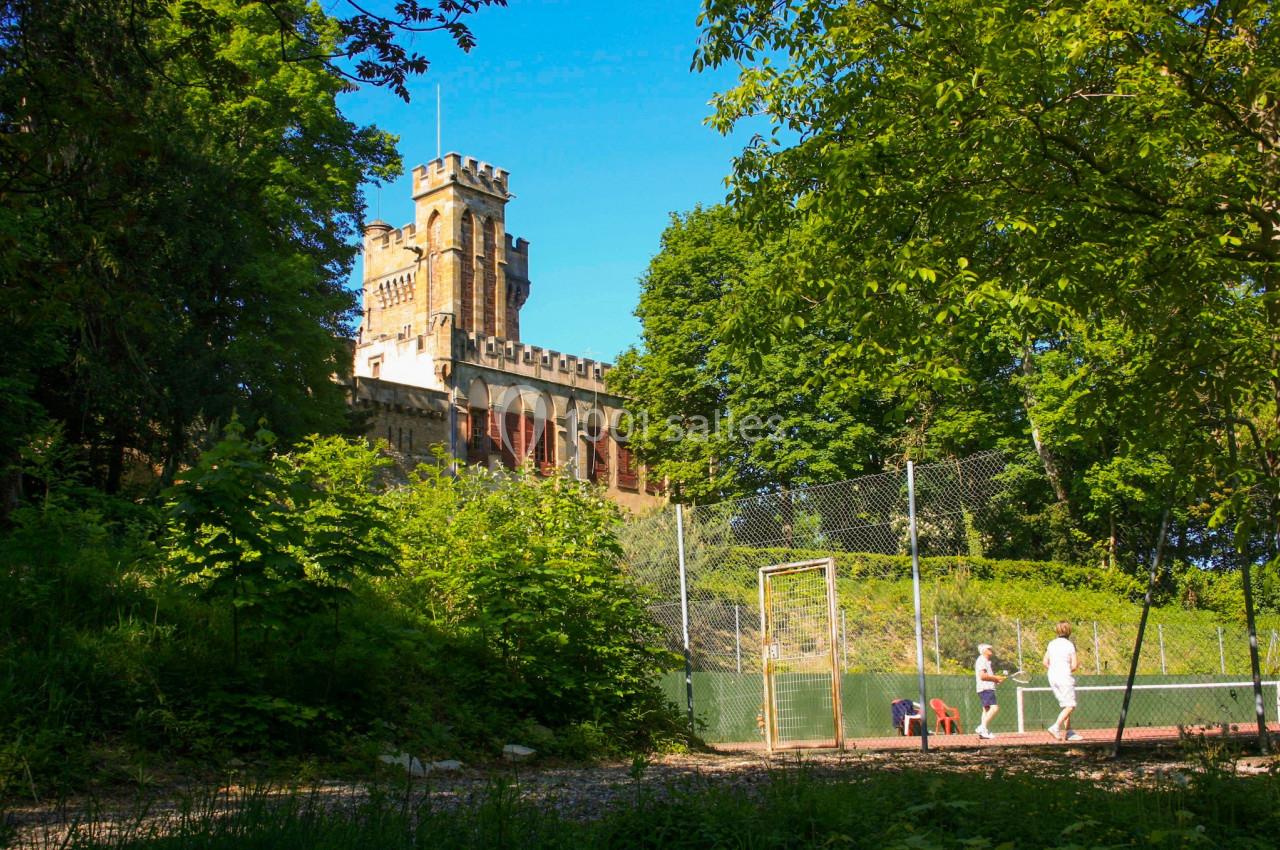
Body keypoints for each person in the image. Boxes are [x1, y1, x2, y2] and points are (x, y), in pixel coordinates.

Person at [1043, 620, 1082, 742]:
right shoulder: (1069, 645)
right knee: (1071, 705)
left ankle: (1069, 732)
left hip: (1052, 676)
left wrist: (1055, 669)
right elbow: (1074, 666)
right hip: (1064, 676)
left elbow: (1045, 662)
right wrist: (1068, 669)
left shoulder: (1051, 643)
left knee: (1066, 705)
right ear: (1069, 631)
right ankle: (1055, 727)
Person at [974, 643, 1005, 739]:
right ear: (984, 651)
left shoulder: (986, 661)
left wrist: (995, 680)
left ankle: (983, 732)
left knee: (986, 710)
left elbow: (987, 676)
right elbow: (982, 676)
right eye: (989, 649)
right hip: (985, 688)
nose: (991, 650)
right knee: (994, 708)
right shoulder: (982, 660)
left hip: (985, 688)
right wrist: (996, 678)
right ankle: (982, 727)